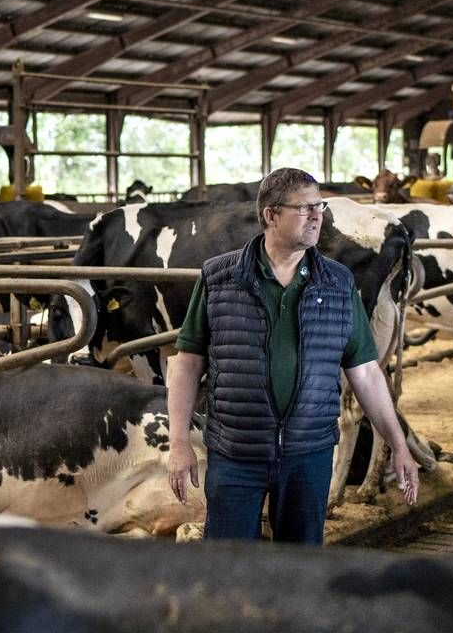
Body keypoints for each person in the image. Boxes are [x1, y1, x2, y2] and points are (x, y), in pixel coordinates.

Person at [165, 167, 420, 544]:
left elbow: (365, 372)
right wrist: (179, 442)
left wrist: (398, 444)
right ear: (270, 215)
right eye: (305, 209)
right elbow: (187, 364)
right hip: (236, 452)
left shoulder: (338, 283)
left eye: (319, 207)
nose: (318, 216)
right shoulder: (219, 279)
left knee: (300, 567)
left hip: (309, 454)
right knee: (228, 566)